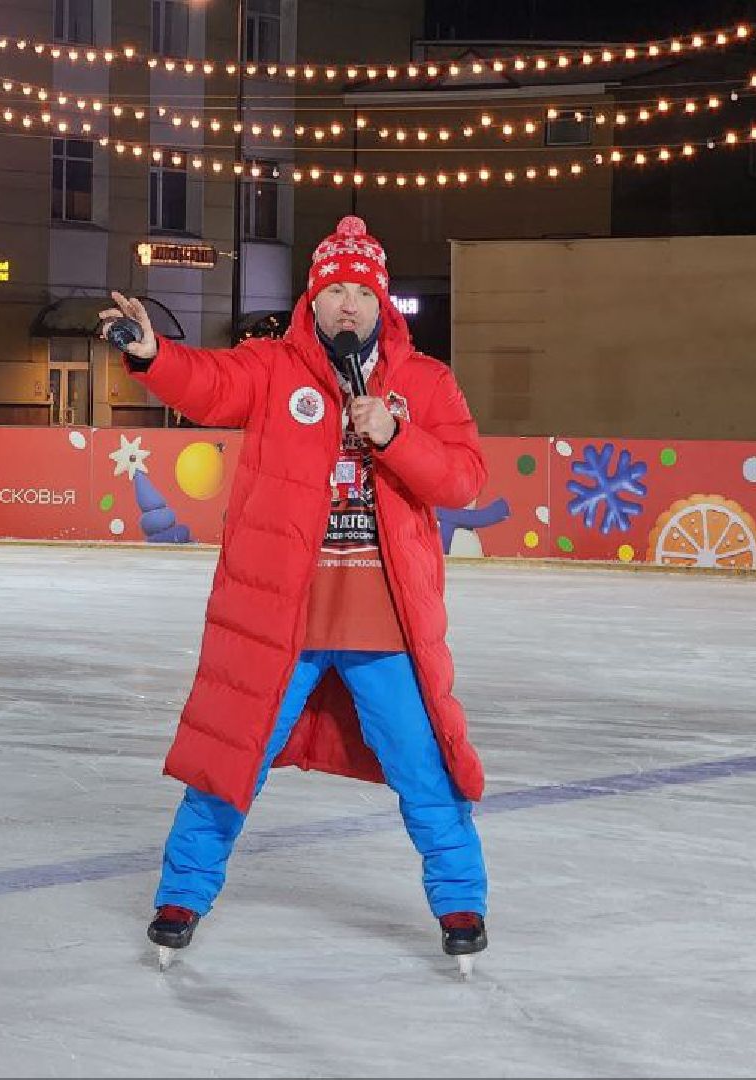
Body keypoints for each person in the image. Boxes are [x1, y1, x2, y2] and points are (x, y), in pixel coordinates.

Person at [99, 215, 490, 969]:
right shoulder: (274, 368)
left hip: (384, 625)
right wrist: (152, 354)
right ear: (313, 300)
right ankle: (181, 896)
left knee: (424, 769)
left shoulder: (425, 382)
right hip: (281, 621)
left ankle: (460, 903)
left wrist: (395, 436)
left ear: (381, 304)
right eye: (334, 290)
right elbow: (209, 384)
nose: (348, 305)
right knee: (229, 759)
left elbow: (464, 479)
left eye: (362, 293)